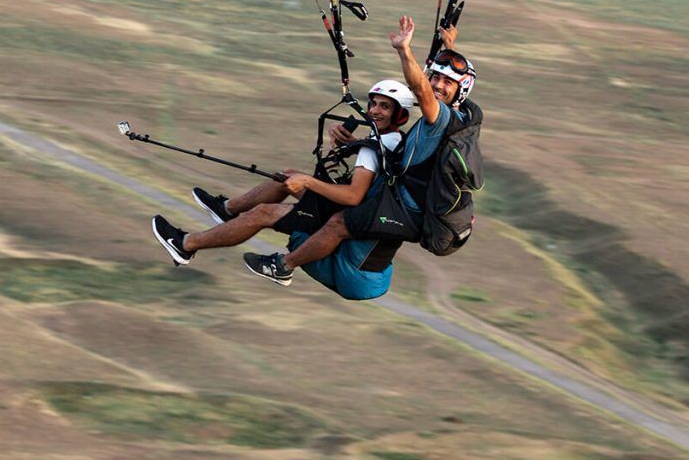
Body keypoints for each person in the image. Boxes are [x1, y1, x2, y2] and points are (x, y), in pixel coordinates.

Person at [241, 16, 476, 294]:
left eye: (447, 82)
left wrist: (404, 50)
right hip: (410, 196)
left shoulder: (441, 118)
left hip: (408, 206)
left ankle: (283, 266)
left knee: (340, 222)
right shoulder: (467, 115)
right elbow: (435, 92)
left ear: (459, 90)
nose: (437, 85)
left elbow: (422, 90)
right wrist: (449, 47)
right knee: (317, 198)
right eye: (435, 77)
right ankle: (231, 211)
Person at [150, 79, 417, 288]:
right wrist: (349, 145)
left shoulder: (376, 147)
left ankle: (185, 245)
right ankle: (227, 209)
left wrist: (310, 182)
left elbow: (353, 196)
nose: (374, 110)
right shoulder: (389, 139)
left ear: (400, 115)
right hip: (348, 208)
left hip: (344, 212)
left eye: (385, 107)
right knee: (287, 176)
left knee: (264, 212)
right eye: (374, 104)